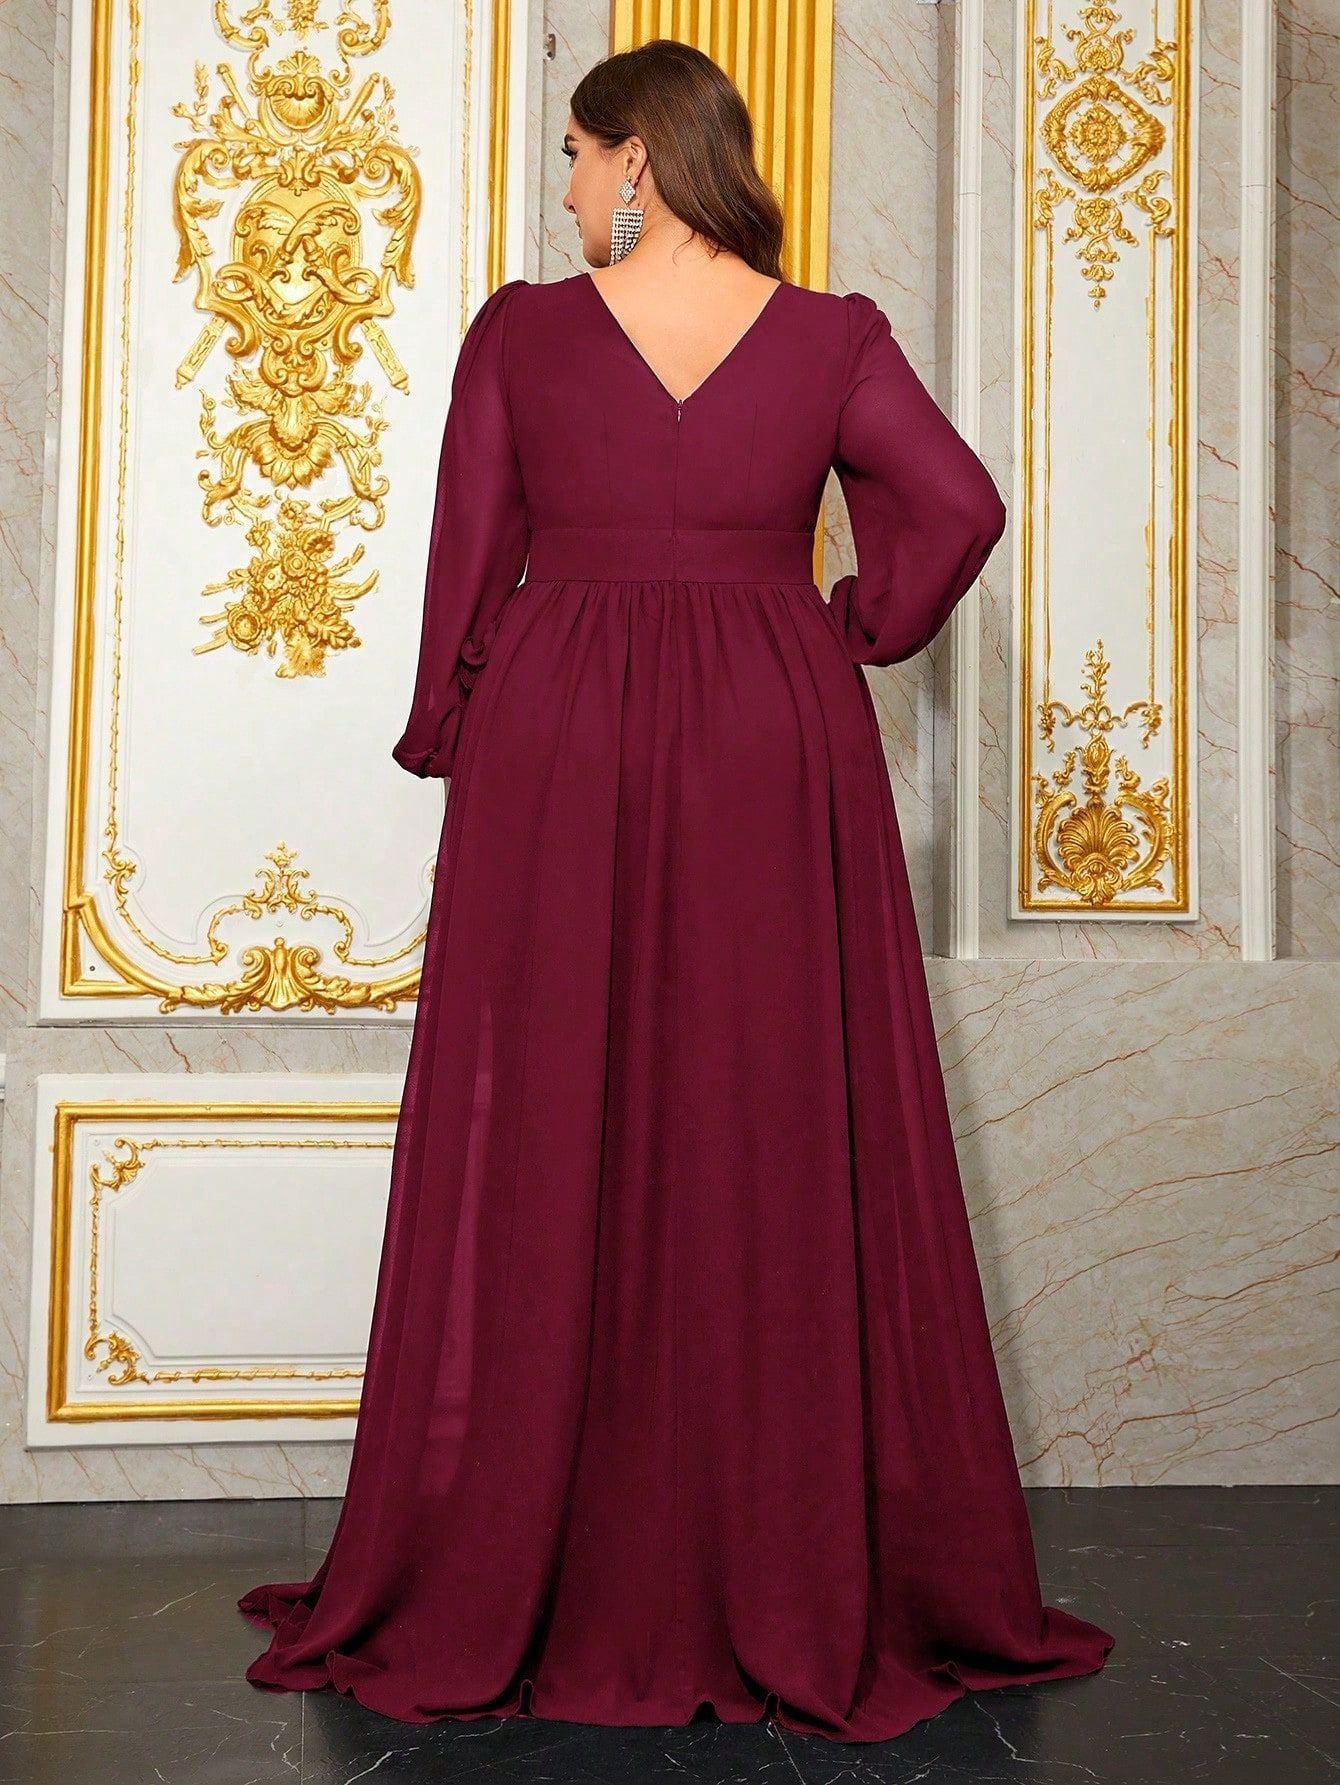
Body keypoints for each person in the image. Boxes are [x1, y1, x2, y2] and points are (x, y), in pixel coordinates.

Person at [238, 38, 1114, 1744]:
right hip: (773, 740)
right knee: (762, 1118)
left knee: (556, 1117)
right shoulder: (831, 335)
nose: (566, 187)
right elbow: (957, 504)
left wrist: (453, 717)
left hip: (559, 744)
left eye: (577, 153)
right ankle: (769, 1554)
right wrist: (844, 627)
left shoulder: (520, 334)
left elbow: (469, 554)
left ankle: (552, 1548)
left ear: (637, 157)